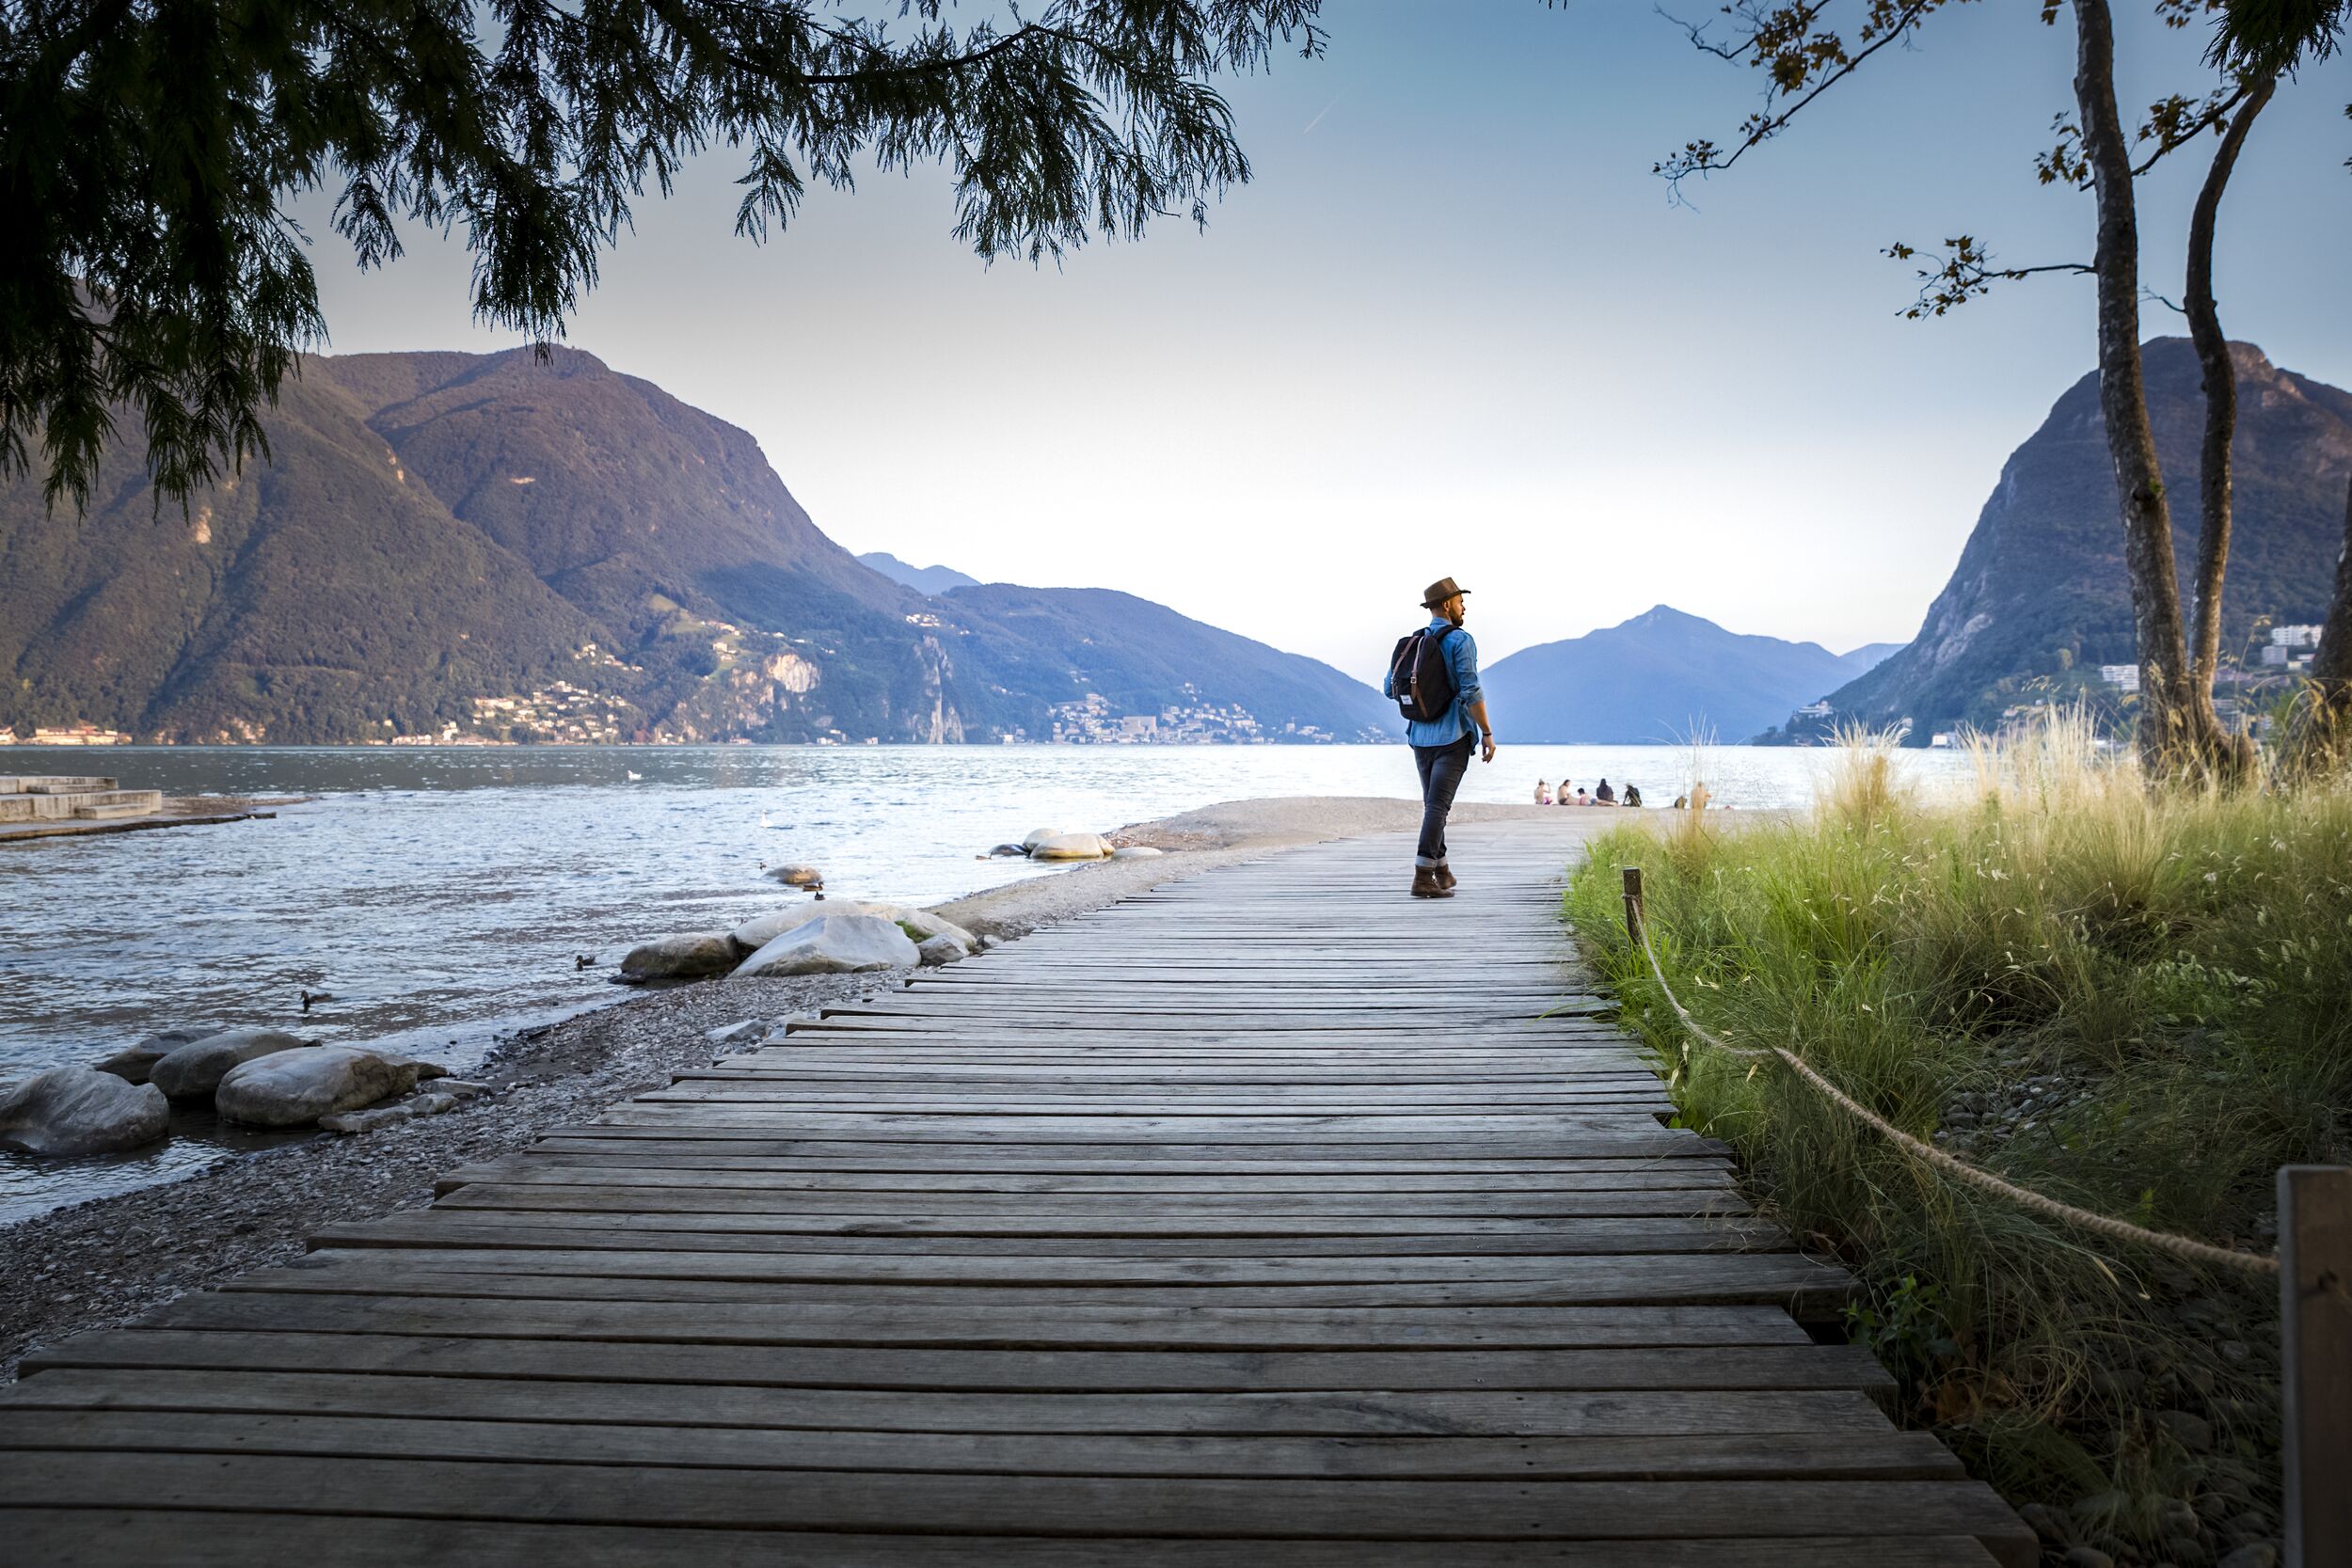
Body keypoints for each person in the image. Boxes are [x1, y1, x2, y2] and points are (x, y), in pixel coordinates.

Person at [1382, 576, 1494, 899]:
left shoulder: (1413, 642)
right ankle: (1422, 876)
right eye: (1461, 601)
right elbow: (1472, 690)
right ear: (1447, 605)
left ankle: (1442, 871)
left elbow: (1390, 688)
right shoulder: (1461, 640)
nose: (1464, 607)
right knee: (1437, 808)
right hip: (1452, 735)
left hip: (1419, 736)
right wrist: (1486, 732)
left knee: (1433, 805)